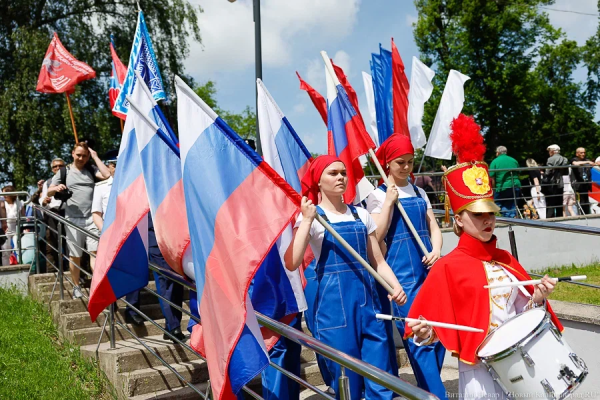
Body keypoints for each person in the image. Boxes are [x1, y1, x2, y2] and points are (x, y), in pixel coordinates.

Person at [406, 115, 563, 399]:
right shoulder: (447, 267)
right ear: (458, 219)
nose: (487, 219)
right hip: (478, 374)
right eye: (478, 214)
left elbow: (523, 314)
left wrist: (538, 298)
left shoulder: (505, 259)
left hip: (521, 367)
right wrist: (425, 331)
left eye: (490, 212)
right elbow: (433, 330)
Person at [284, 155, 406, 400]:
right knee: (347, 383)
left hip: (370, 308)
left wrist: (395, 286)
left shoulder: (362, 214)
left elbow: (378, 261)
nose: (341, 177)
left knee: (381, 381)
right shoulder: (312, 218)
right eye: (333, 173)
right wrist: (306, 220)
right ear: (318, 181)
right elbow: (292, 262)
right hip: (334, 313)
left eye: (343, 172)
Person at [364, 135, 447, 399]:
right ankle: (435, 395)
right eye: (400, 162)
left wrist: (436, 250)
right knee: (418, 337)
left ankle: (426, 389)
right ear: (387, 163)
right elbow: (376, 237)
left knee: (440, 334)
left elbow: (434, 227)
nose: (407, 167)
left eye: (410, 161)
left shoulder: (420, 192)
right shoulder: (377, 196)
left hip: (429, 272)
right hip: (401, 277)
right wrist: (389, 202)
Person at [48, 143, 110, 299]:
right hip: (73, 219)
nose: (81, 158)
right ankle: (76, 286)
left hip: (92, 218)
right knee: (75, 255)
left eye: (84, 155)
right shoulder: (64, 171)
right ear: (72, 154)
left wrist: (95, 157)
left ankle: (98, 285)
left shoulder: (91, 169)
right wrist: (56, 188)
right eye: (78, 155)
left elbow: (107, 175)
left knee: (95, 253)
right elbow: (49, 190)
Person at [40, 158, 67, 269]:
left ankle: (72, 268)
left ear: (65, 167)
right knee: (52, 243)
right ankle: (53, 270)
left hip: (68, 213)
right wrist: (45, 201)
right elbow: (42, 201)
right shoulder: (48, 182)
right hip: (52, 214)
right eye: (55, 166)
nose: (58, 168)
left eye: (60, 165)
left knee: (70, 242)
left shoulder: (70, 179)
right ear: (52, 169)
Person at [488, 146, 521, 218]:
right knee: (512, 204)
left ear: (498, 153)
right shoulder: (513, 160)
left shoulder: (495, 161)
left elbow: (492, 177)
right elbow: (518, 173)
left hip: (502, 187)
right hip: (515, 185)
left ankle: (507, 218)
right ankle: (512, 217)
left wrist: (493, 189)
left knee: (498, 203)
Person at [2, 185, 25, 265]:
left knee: (19, 248)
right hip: (6, 229)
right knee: (5, 250)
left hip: (17, 228)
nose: (4, 196)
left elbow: (24, 217)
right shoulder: (2, 204)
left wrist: (24, 228)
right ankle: (6, 268)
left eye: (5, 193)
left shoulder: (20, 203)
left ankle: (21, 266)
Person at [544, 144, 569, 218]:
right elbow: (566, 173)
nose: (549, 153)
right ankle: (559, 218)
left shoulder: (550, 159)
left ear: (552, 151)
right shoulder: (565, 159)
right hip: (560, 183)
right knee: (559, 203)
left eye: (549, 151)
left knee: (550, 203)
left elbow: (548, 172)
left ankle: (550, 219)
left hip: (551, 184)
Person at [570, 147, 595, 214]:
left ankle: (587, 214)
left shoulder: (587, 160)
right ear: (577, 154)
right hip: (578, 185)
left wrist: (595, 163)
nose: (583, 154)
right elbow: (575, 164)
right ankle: (581, 215)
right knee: (579, 201)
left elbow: (593, 164)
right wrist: (588, 162)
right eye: (581, 153)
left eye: (584, 152)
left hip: (586, 184)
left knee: (586, 201)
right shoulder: (574, 159)